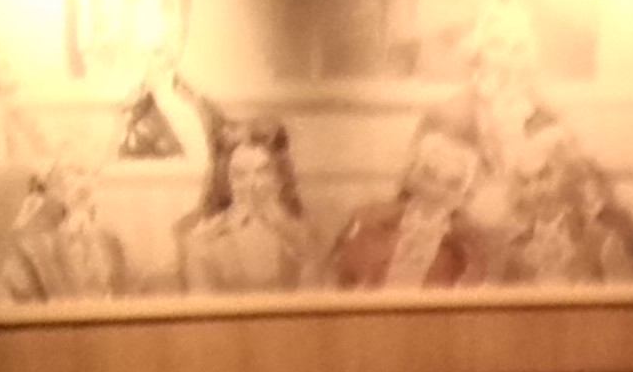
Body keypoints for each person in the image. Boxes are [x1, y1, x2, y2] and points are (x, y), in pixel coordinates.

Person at [329, 111, 495, 290]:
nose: (435, 191)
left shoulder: (470, 250)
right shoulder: (365, 223)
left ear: (467, 193)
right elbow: (331, 289)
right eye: (429, 174)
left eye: (452, 183)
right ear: (411, 170)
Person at [494, 114, 633, 285]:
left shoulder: (602, 239)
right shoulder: (513, 246)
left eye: (544, 176)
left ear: (568, 177)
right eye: (526, 181)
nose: (536, 190)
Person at [176, 119, 318, 294]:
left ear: (280, 177)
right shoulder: (202, 239)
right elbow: (202, 304)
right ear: (226, 181)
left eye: (263, 171)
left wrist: (287, 230)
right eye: (239, 175)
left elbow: (316, 301)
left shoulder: (305, 236)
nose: (252, 184)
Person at [0, 157, 126, 303]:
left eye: (92, 175)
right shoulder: (14, 246)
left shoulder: (101, 239)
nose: (84, 184)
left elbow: (109, 291)